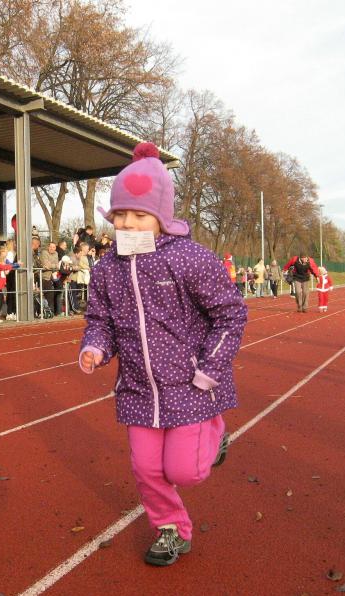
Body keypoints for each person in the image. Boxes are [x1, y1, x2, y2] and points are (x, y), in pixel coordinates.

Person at [78, 142, 247, 567]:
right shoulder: (107, 268)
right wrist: (95, 347)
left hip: (190, 386)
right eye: (120, 214)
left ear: (161, 216)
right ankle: (171, 529)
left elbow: (230, 314)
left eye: (139, 215)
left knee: (184, 471)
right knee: (147, 470)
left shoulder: (190, 259)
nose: (127, 223)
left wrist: (211, 367)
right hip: (138, 389)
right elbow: (100, 319)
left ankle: (215, 433)